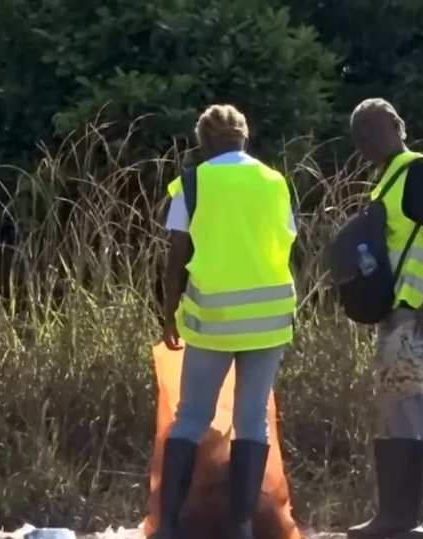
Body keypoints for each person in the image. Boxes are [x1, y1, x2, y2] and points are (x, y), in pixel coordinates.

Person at [155, 103, 297, 539]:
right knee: (253, 419)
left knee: (192, 416)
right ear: (244, 138)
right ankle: (240, 528)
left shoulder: (194, 183)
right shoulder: (274, 182)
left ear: (205, 141)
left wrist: (169, 314)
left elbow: (177, 256)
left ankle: (169, 527)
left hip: (212, 319)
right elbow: (288, 240)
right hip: (269, 318)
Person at [346, 97, 423, 539]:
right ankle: (398, 514)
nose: (365, 143)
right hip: (395, 309)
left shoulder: (416, 170)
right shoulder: (387, 180)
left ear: (397, 125)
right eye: (358, 137)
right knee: (393, 401)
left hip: (416, 307)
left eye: (372, 132)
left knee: (417, 399)